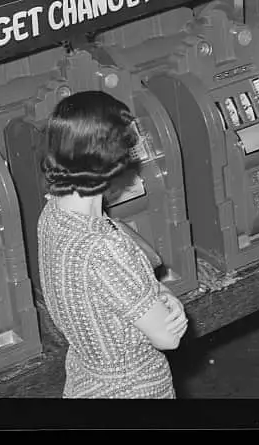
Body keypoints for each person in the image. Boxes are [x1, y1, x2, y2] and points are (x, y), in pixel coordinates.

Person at [37, 91, 188, 398]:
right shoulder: (105, 248)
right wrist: (175, 311)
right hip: (131, 388)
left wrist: (154, 291)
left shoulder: (52, 214)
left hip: (85, 378)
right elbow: (166, 338)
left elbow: (108, 291)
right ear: (112, 161)